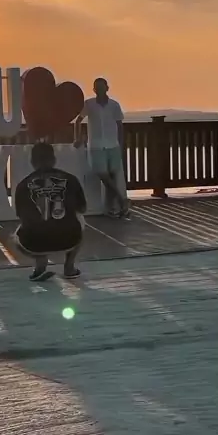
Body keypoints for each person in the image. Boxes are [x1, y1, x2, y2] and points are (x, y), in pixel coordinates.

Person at [14, 142, 86, 282]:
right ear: (54, 160)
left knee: (16, 235)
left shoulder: (23, 185)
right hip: (69, 238)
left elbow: (21, 215)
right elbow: (82, 208)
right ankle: (69, 267)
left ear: (32, 162)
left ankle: (40, 261)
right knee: (80, 219)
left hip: (33, 242)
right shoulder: (71, 179)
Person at [74, 77, 130, 218]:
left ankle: (112, 209)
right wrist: (78, 138)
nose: (99, 89)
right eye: (97, 87)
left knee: (111, 176)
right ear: (94, 89)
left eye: (102, 86)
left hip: (113, 144)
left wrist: (121, 143)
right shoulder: (89, 104)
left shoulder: (114, 105)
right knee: (103, 174)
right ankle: (122, 200)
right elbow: (78, 121)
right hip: (96, 145)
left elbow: (120, 125)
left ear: (107, 88)